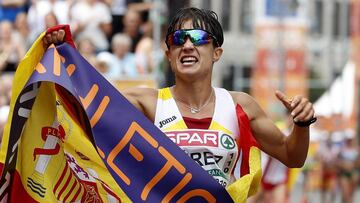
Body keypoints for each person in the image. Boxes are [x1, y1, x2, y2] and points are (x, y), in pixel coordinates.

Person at [42, 7, 316, 199]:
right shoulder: (147, 102)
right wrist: (66, 53)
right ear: (169, 55)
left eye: (198, 38)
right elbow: (84, 105)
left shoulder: (239, 105)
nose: (187, 45)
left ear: (216, 52)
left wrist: (302, 124)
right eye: (177, 40)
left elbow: (293, 156)